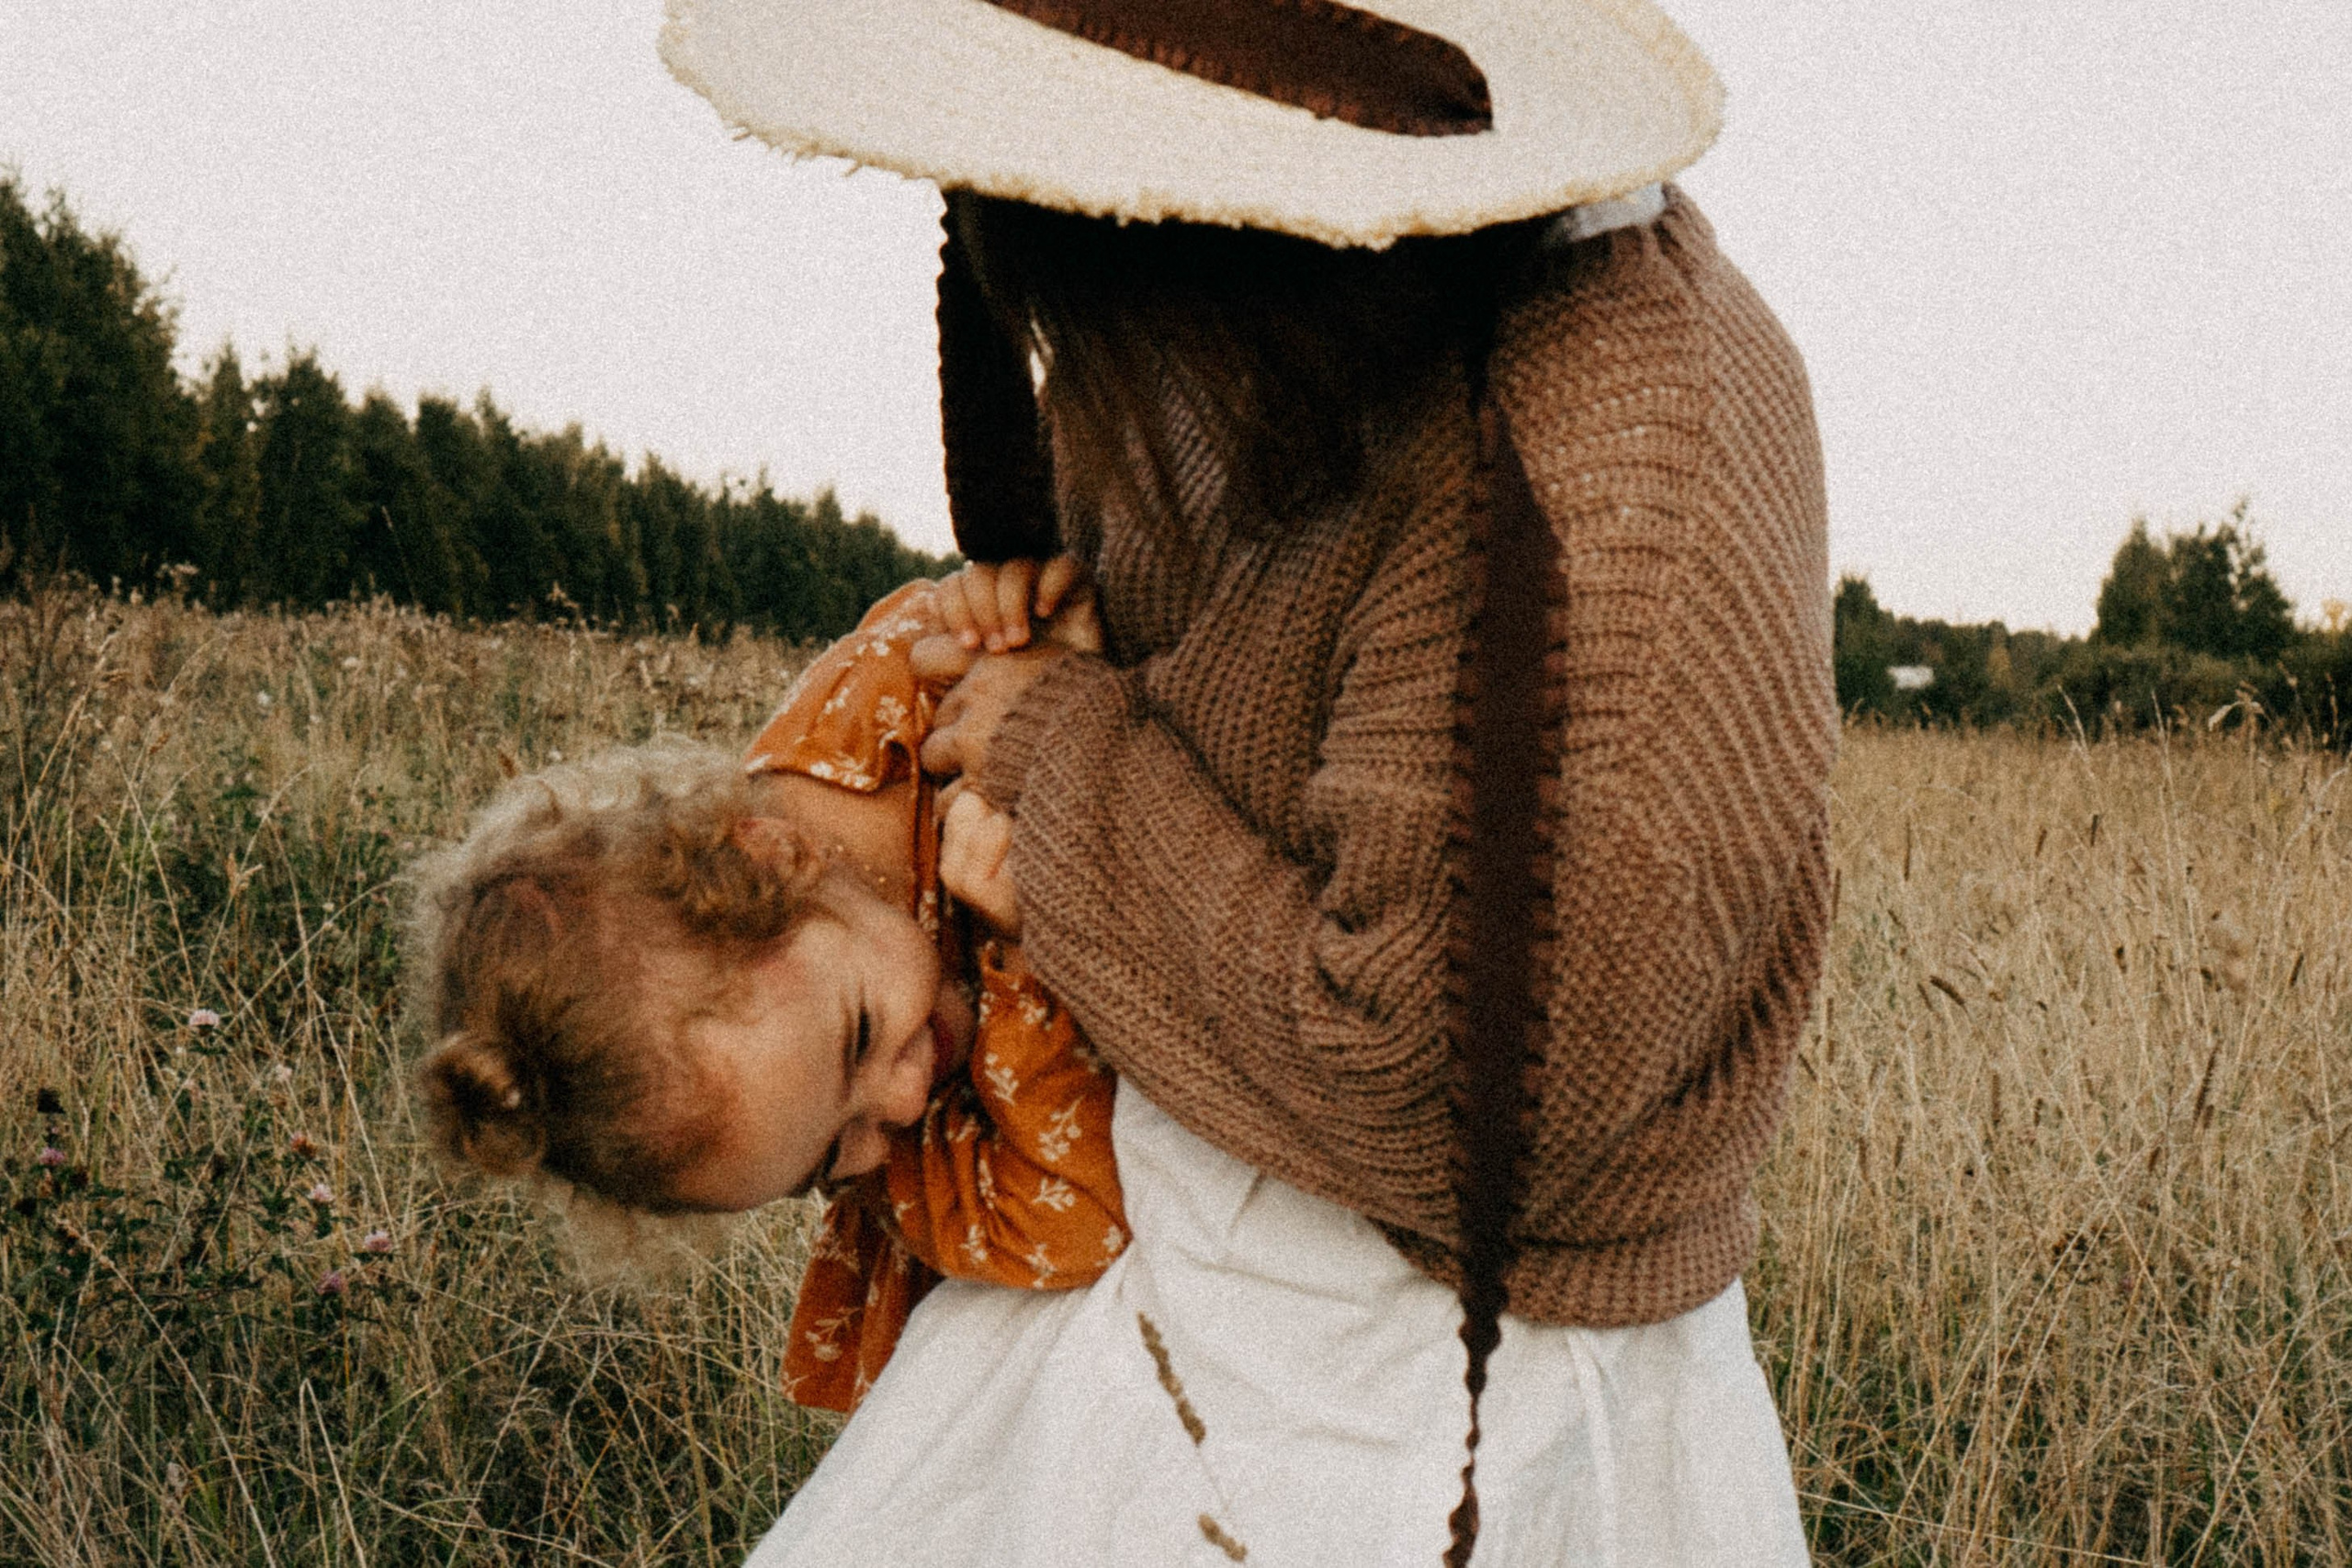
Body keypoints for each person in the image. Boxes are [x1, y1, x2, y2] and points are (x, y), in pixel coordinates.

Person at [663, 0, 1836, 1562]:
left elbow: (1456, 1093)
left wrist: (1064, 758)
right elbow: (1203, 616)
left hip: (1432, 1401)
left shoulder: (1596, 494)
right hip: (1220, 1255)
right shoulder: (1318, 305)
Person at [408, 571, 1128, 1413]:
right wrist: (1023, 947)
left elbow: (1063, 605)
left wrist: (1015, 611)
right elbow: (1076, 1221)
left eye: (859, 1035)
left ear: (775, 859)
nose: (900, 1103)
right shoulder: (876, 1149)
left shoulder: (882, 710)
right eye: (827, 1161)